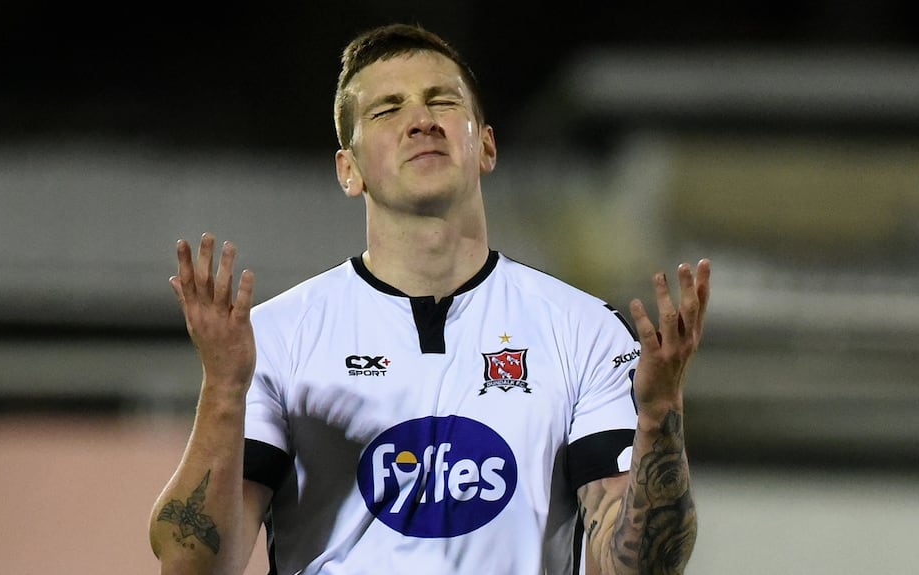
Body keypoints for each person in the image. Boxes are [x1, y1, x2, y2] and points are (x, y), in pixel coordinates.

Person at [149, 23, 710, 575]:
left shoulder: (584, 331)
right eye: (388, 110)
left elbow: (634, 568)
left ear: (486, 145)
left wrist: (661, 413)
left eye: (442, 101)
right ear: (349, 170)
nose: (422, 121)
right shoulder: (276, 339)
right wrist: (224, 391)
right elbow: (191, 565)